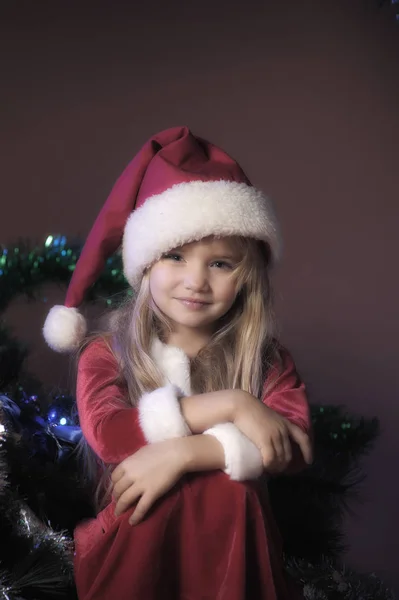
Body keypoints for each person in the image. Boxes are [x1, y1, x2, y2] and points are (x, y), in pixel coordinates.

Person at [43, 126, 313, 600]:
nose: (196, 281)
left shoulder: (267, 359)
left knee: (228, 490)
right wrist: (233, 405)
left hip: (233, 558)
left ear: (246, 278)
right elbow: (111, 433)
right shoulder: (105, 353)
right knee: (175, 494)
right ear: (146, 265)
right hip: (136, 551)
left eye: (221, 264)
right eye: (175, 255)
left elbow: (293, 448)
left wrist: (183, 452)